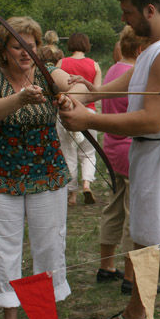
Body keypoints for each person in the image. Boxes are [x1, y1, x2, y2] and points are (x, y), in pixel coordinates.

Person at [58, 0, 160, 319]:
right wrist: (93, 94)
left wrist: (88, 120)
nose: (124, 19)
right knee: (144, 237)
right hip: (159, 156)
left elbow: (152, 119)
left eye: (128, 13)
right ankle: (137, 311)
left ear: (150, 9)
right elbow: (137, 76)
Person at [0, 16, 77, 319]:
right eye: (17, 45)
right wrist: (20, 98)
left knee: (48, 245)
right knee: (3, 246)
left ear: (38, 47)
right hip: (0, 175)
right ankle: (11, 318)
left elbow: (74, 90)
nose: (25, 52)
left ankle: (43, 317)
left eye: (31, 45)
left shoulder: (50, 75)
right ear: (3, 50)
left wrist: (71, 95)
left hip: (46, 174)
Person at [96, 25, 150, 296]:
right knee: (133, 213)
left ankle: (106, 266)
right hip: (129, 150)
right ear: (141, 49)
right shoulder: (134, 74)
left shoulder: (115, 69)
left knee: (115, 207)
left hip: (112, 148)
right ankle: (131, 276)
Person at [56, 32, 101, 205]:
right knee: (88, 152)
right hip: (88, 112)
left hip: (68, 112)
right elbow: (96, 93)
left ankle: (72, 193)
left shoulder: (62, 63)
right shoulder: (94, 65)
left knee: (68, 152)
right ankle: (87, 184)